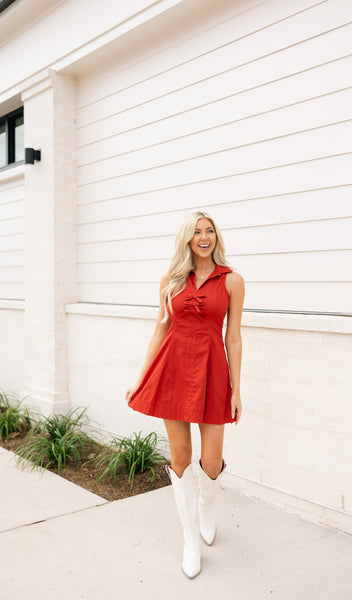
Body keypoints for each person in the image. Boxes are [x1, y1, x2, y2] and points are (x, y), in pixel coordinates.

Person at [125, 211, 245, 579]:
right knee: (181, 456)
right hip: (173, 369)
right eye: (197, 232)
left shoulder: (232, 281)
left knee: (211, 461)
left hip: (212, 371)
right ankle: (190, 537)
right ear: (187, 239)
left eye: (210, 231)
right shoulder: (171, 281)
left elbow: (233, 337)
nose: (204, 236)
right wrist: (141, 377)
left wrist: (236, 389)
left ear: (216, 237)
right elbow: (159, 332)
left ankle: (207, 508)